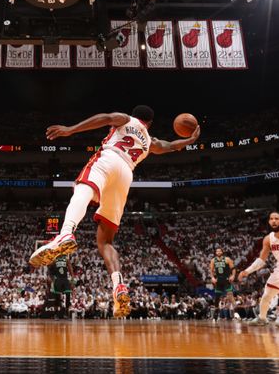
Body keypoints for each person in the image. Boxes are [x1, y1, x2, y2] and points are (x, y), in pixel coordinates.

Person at [28, 106, 201, 318]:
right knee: (106, 241)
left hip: (110, 159)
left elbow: (105, 117)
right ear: (150, 123)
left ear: (135, 115)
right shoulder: (148, 141)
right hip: (126, 175)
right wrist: (189, 140)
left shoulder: (126, 119)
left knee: (81, 186)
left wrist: (71, 129)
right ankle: (118, 285)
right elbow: (169, 146)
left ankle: (65, 233)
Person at [210, 248, 235, 321]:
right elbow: (211, 270)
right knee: (217, 298)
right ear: (215, 252)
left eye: (219, 251)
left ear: (222, 252)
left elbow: (233, 268)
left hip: (226, 279)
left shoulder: (227, 259)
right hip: (218, 280)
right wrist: (212, 278)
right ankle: (215, 314)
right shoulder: (213, 260)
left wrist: (233, 276)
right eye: (217, 251)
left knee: (230, 296)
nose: (218, 252)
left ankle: (236, 313)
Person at [48, 253, 73, 319]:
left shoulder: (66, 259)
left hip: (65, 279)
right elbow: (49, 270)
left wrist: (73, 277)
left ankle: (66, 313)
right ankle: (56, 314)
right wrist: (52, 278)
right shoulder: (54, 260)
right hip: (58, 279)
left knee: (68, 295)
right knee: (57, 297)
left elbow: (70, 268)